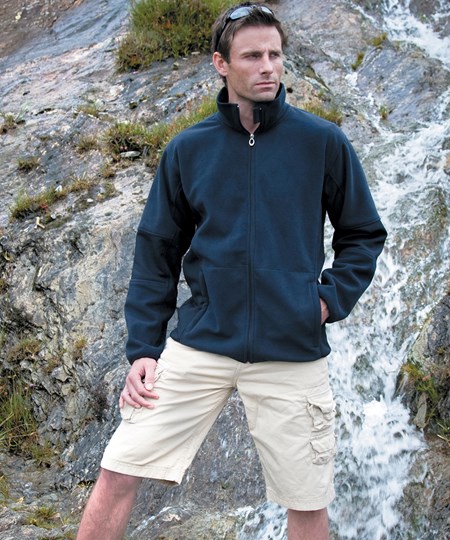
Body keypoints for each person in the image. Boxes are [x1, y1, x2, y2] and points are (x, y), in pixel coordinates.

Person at [77, 3, 387, 539]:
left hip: (291, 348)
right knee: (119, 468)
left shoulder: (322, 142)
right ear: (221, 64)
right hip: (202, 341)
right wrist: (144, 349)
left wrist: (324, 301)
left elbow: (363, 234)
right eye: (252, 56)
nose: (268, 66)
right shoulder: (188, 150)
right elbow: (156, 255)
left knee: (306, 501)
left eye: (275, 54)